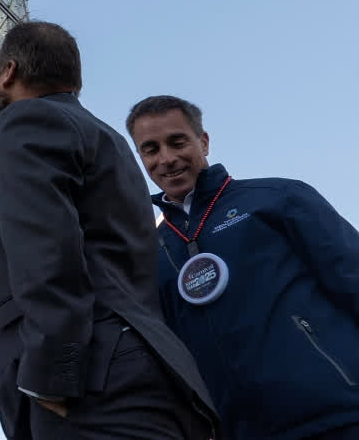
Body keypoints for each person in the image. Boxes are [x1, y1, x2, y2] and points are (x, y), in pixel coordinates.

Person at [0, 22, 217, 439]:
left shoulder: (26, 120)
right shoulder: (108, 139)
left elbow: (45, 249)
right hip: (148, 372)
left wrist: (52, 373)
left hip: (90, 383)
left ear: (8, 72)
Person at [127, 95, 359, 440]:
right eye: (151, 149)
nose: (167, 159)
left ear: (203, 142)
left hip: (335, 413)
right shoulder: (150, 254)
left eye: (177, 142)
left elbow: (351, 277)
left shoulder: (278, 198)